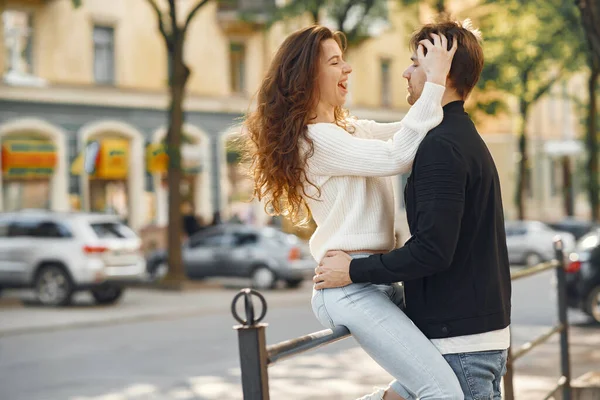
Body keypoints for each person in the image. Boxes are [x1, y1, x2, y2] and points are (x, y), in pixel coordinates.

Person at [246, 25, 463, 400]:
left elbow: (416, 130)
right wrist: (436, 81)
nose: (347, 69)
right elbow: (398, 154)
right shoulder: (315, 141)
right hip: (348, 287)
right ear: (307, 76)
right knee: (443, 393)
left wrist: (444, 88)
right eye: (335, 62)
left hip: (374, 276)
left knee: (428, 382)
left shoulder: (348, 130)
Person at [315, 18, 512, 400]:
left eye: (416, 64)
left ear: (443, 72)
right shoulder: (462, 135)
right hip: (475, 335)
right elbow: (403, 133)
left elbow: (433, 250)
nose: (405, 73)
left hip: (462, 341)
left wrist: (353, 269)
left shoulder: (440, 147)